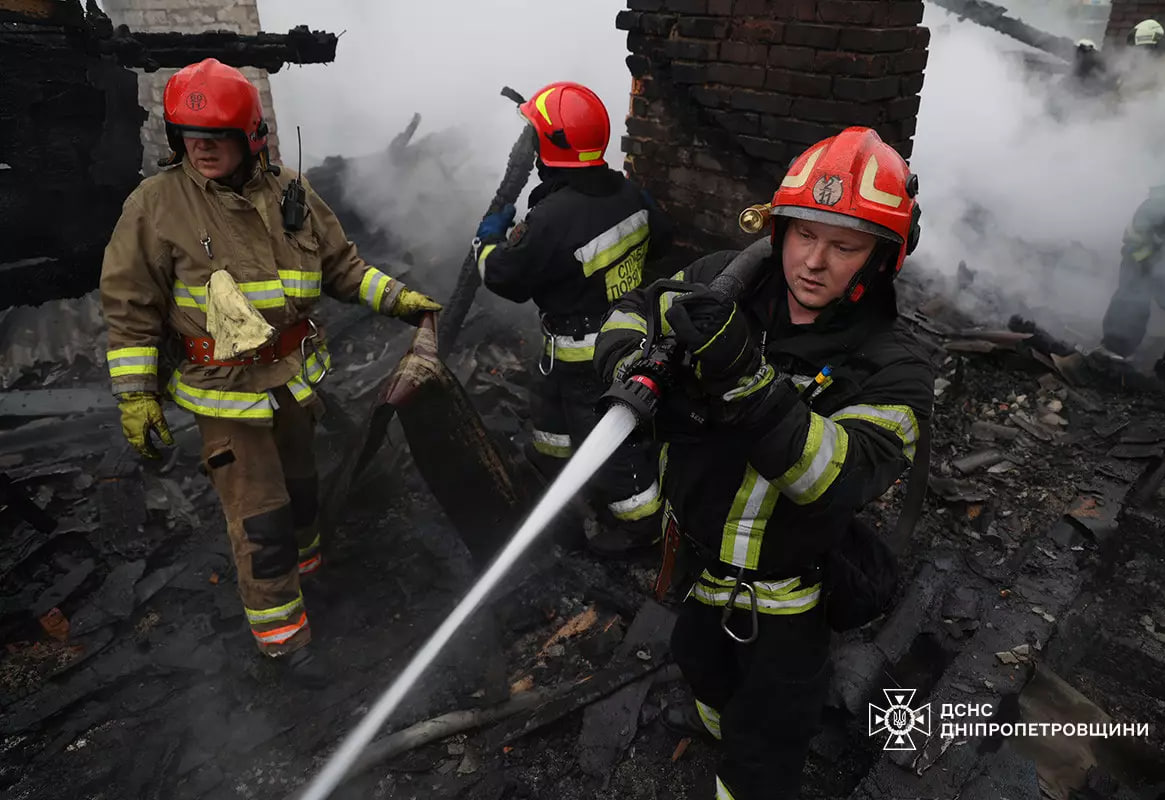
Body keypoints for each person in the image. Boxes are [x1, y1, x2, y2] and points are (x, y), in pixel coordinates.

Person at [594, 127, 935, 800]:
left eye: (845, 246)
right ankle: (721, 722)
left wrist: (745, 379)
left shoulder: (895, 368)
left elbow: (836, 476)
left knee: (765, 745)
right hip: (698, 569)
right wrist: (632, 361)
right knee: (700, 668)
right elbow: (633, 310)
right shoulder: (723, 286)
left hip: (786, 602)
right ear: (777, 231)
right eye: (804, 234)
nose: (814, 262)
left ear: (881, 260)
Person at [99, 58, 442, 684]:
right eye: (190, 136)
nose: (201, 148)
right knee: (260, 516)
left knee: (302, 495)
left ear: (251, 137)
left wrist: (399, 299)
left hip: (292, 380)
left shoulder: (292, 192)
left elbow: (343, 267)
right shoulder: (156, 206)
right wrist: (134, 395)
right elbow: (129, 307)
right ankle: (284, 636)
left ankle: (308, 579)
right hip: (225, 396)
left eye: (217, 136)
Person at [474, 80, 673, 556]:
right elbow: (660, 239)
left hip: (586, 357)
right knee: (551, 414)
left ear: (550, 147)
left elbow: (501, 275)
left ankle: (641, 527)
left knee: (611, 447)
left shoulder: (551, 218)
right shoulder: (628, 192)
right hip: (622, 336)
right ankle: (558, 471)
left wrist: (487, 239)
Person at [1098, 183, 1165, 383]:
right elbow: (1133, 241)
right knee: (1135, 293)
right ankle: (1114, 351)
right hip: (1145, 256)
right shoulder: (1158, 208)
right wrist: (1152, 271)